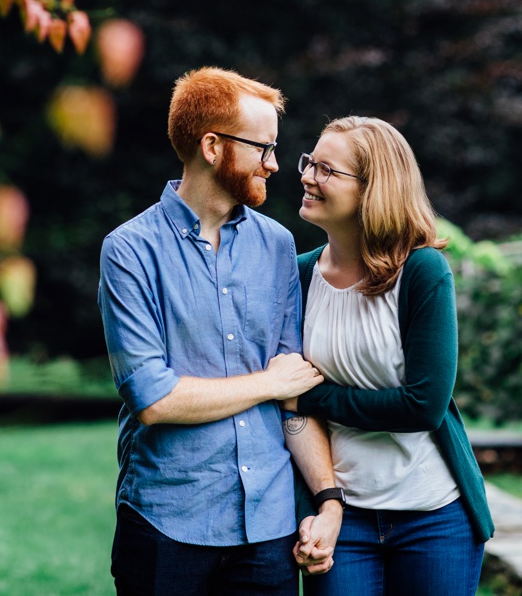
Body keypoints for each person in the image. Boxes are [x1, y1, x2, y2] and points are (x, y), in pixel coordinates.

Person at [98, 67, 344, 596]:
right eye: (263, 148)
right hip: (167, 522)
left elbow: (294, 395)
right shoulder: (130, 251)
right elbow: (153, 398)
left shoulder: (277, 245)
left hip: (269, 532)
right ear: (212, 146)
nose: (276, 165)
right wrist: (268, 384)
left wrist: (328, 500)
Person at [284, 116, 495, 596]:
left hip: (434, 516)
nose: (307, 176)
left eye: (326, 170)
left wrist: (312, 397)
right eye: (309, 163)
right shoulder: (295, 277)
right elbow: (283, 399)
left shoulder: (422, 271)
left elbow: (422, 405)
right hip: (342, 516)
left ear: (373, 189)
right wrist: (318, 504)